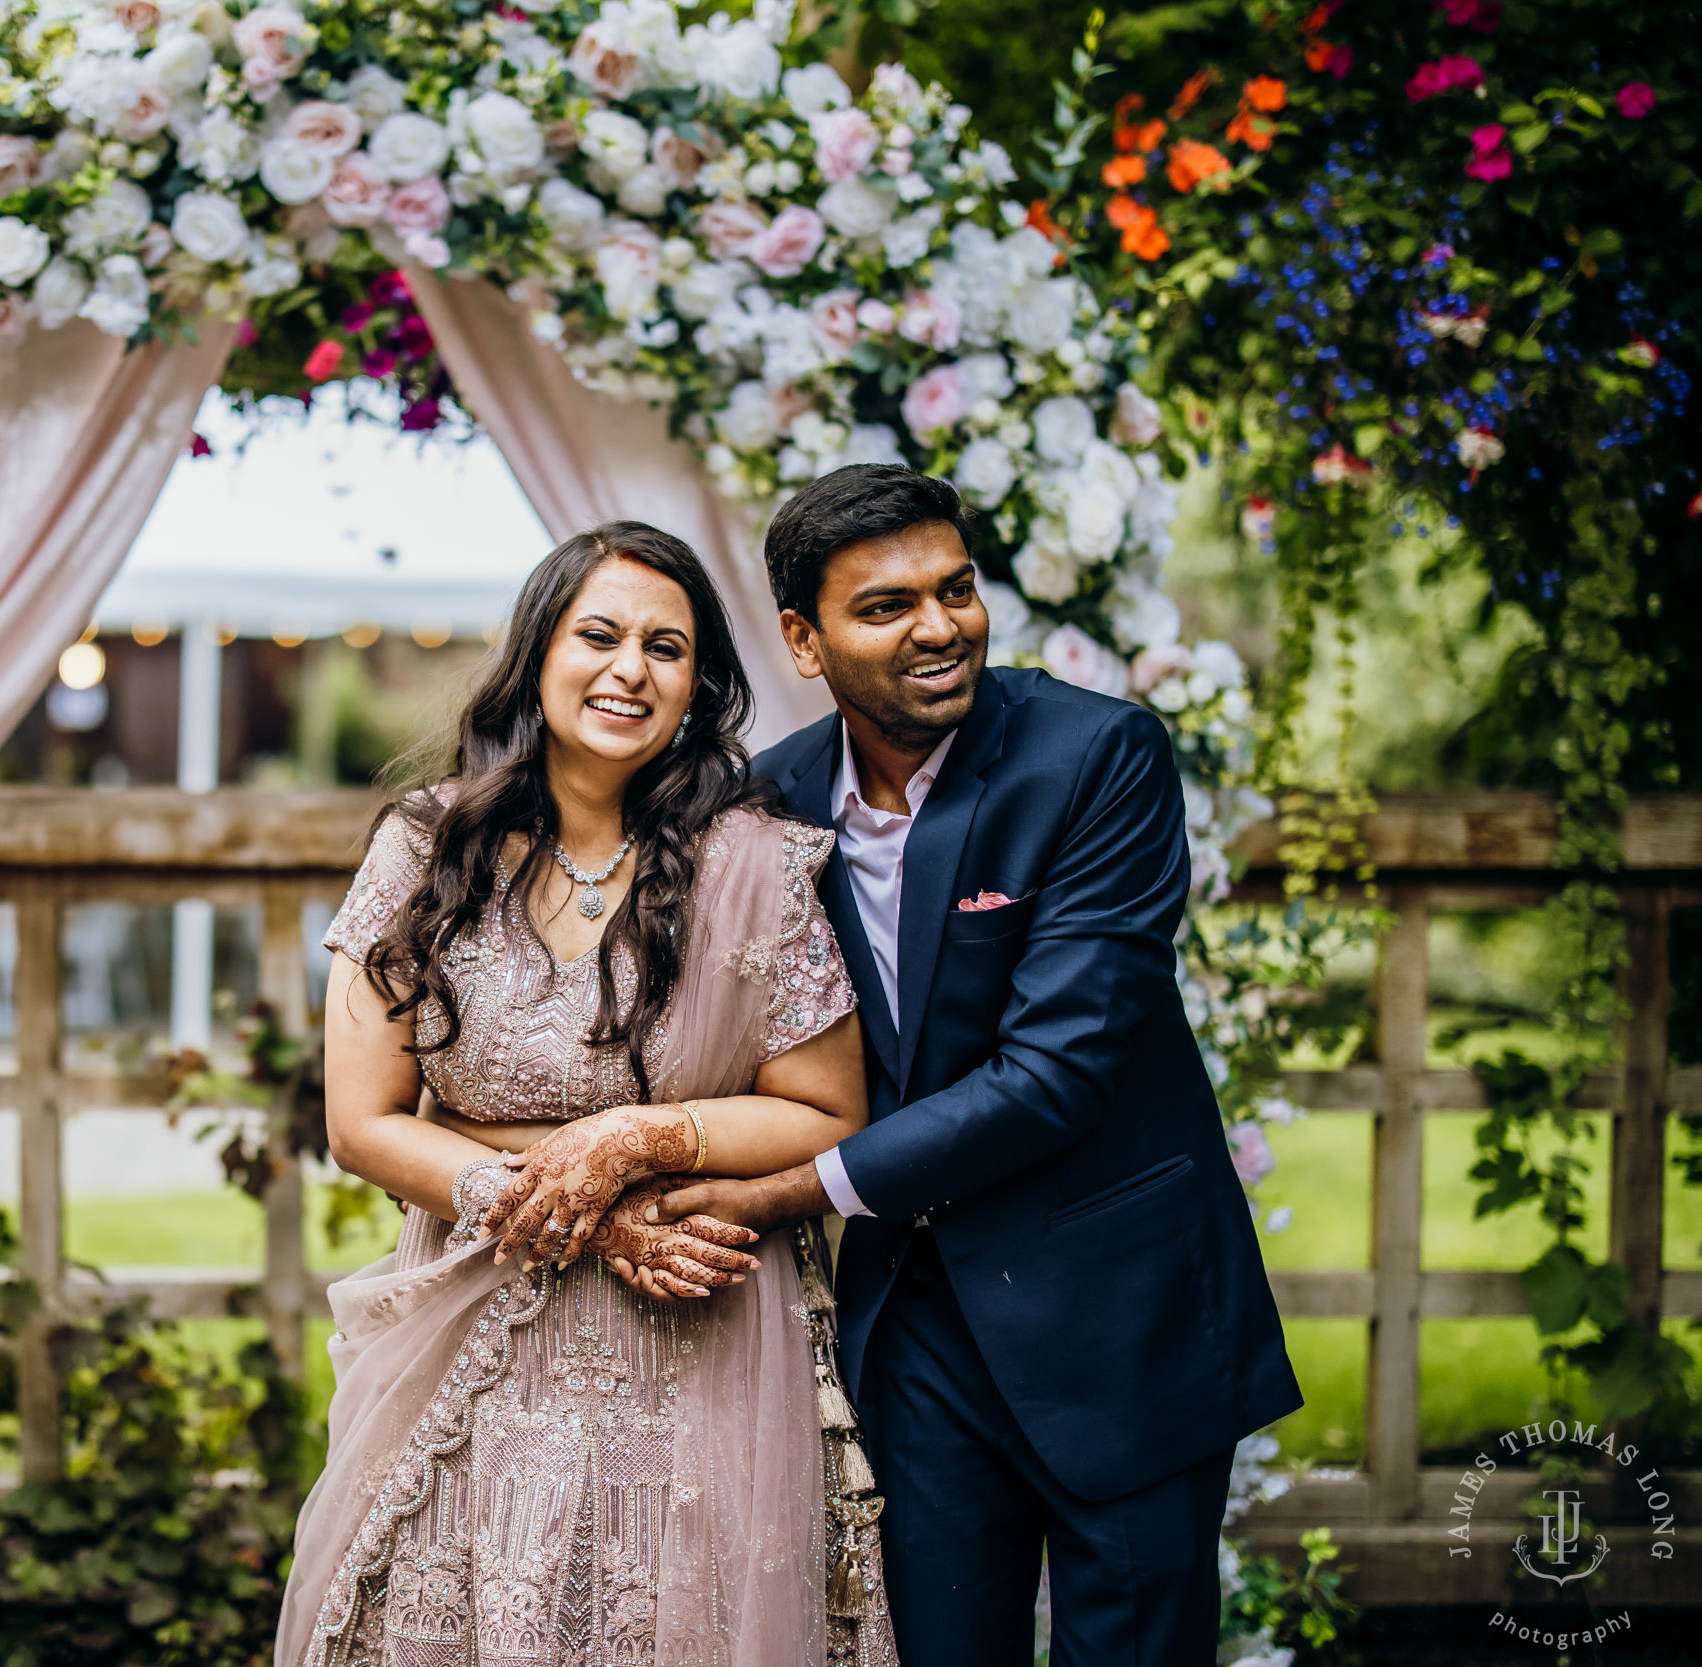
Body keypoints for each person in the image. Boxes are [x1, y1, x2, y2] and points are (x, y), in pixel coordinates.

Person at [647, 465, 1303, 1665]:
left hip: (1123, 1310)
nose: (940, 624)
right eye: (887, 605)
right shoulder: (768, 806)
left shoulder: (1098, 758)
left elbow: (1057, 1070)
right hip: (917, 1335)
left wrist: (789, 1187)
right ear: (803, 637)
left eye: (955, 588)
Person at [274, 522, 901, 1667]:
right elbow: (361, 1123)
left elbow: (827, 1111)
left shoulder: (753, 864)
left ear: (697, 685)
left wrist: (635, 1134)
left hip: (703, 1345)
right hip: (475, 1334)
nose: (629, 669)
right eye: (598, 634)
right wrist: (583, 1210)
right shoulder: (426, 850)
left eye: (666, 647)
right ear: (536, 653)